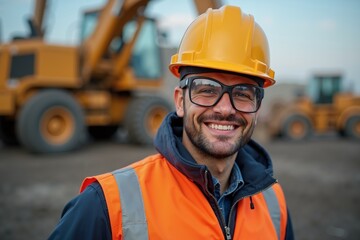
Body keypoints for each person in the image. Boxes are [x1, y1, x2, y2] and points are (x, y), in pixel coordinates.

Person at [49, 5, 294, 240]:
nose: (225, 108)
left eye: (243, 93)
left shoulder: (274, 203)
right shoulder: (106, 205)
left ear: (258, 108)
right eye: (207, 90)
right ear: (179, 101)